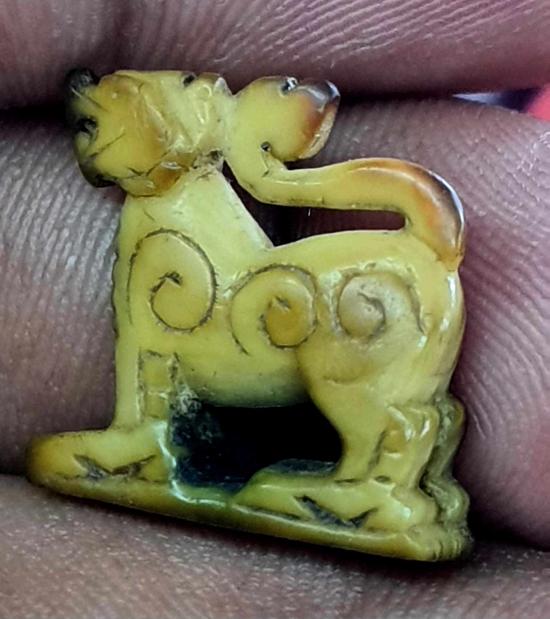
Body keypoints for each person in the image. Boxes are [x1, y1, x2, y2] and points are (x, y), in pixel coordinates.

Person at [1, 1, 550, 616]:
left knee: (345, 358)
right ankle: (399, 479)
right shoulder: (182, 224)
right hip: (396, 274)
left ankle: (379, 486)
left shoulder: (170, 233)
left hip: (351, 295)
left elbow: (150, 348)